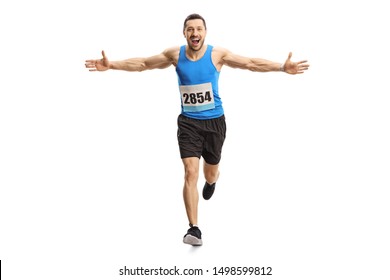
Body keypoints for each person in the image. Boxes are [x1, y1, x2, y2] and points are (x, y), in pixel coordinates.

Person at [85, 13, 309, 246]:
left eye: (199, 29)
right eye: (190, 29)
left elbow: (251, 64)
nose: (195, 33)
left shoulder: (217, 54)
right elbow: (143, 64)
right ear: (184, 33)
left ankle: (212, 181)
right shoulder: (175, 54)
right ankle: (194, 229)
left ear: (205, 32)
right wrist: (111, 65)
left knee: (209, 172)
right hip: (188, 123)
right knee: (190, 172)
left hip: (214, 123)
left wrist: (282, 67)